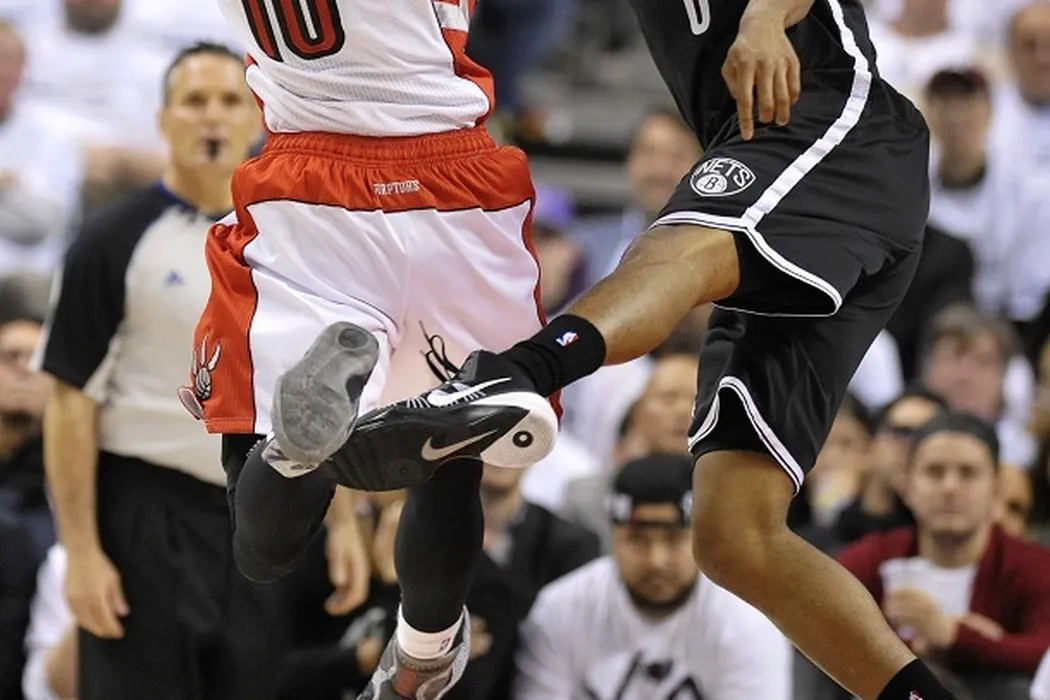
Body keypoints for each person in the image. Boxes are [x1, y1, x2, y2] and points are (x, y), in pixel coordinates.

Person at [311, 0, 964, 698]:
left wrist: (766, 17)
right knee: (734, 538)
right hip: (792, 173)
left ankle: (516, 374)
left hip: (834, 127)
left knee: (672, 246)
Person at [184, 1, 553, 698]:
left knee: (261, 547)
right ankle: (424, 656)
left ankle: (293, 453)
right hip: (457, 188)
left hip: (310, 190)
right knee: (452, 466)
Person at [37, 43, 300, 700]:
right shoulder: (112, 240)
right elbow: (69, 401)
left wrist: (346, 524)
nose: (211, 116)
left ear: (257, 118)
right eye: (194, 101)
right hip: (144, 514)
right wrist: (81, 554)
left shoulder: (291, 242)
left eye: (229, 101)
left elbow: (313, 390)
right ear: (163, 120)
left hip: (261, 507)